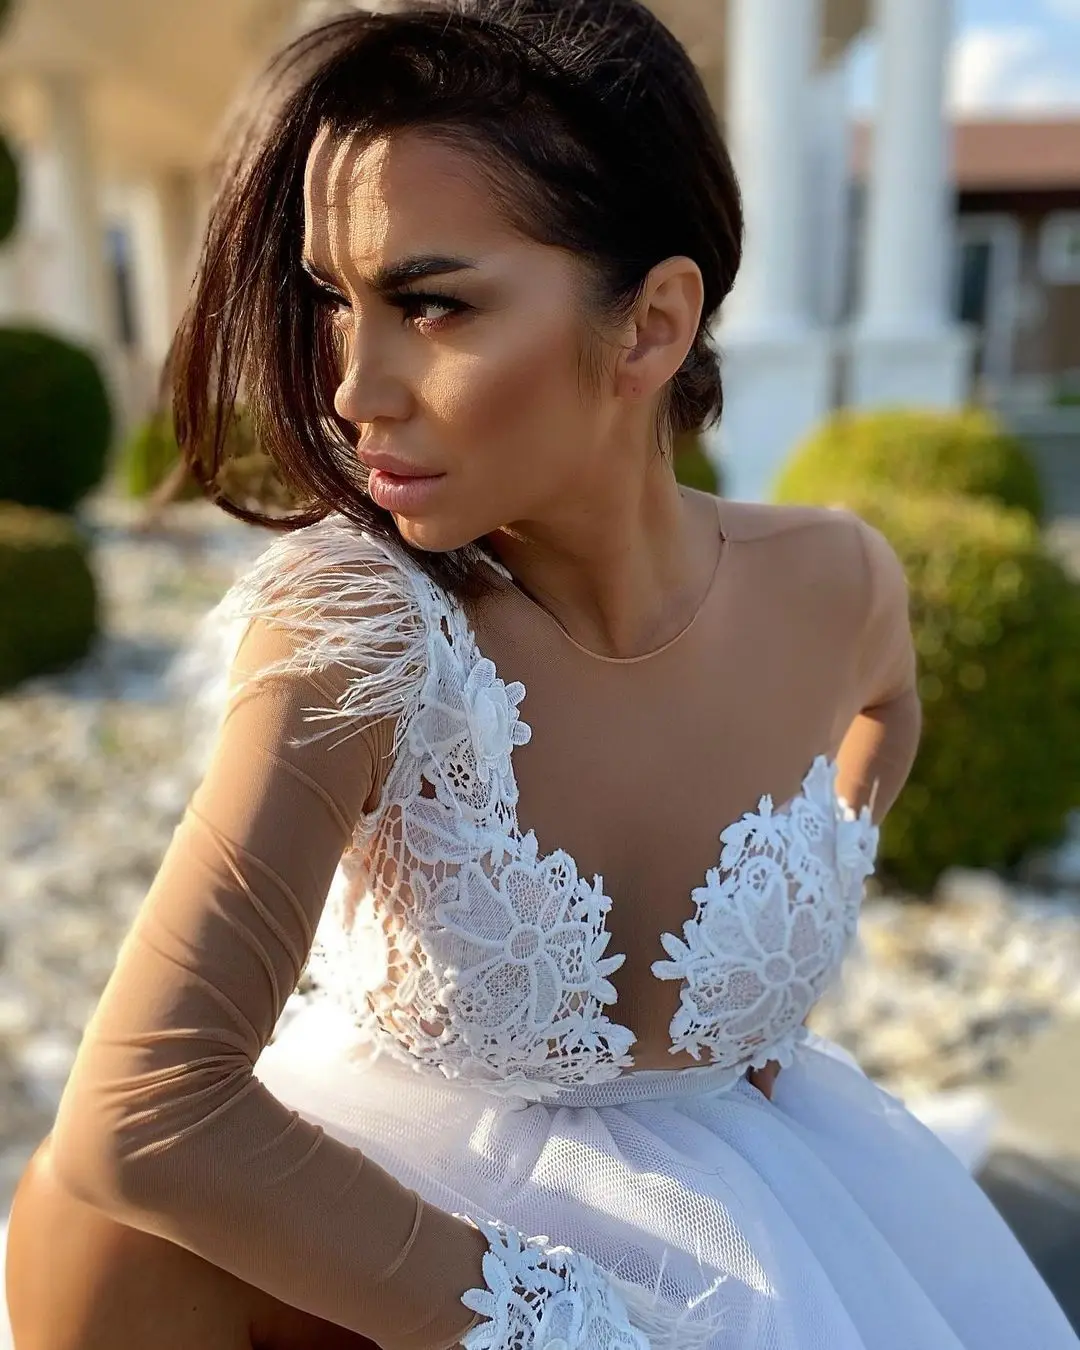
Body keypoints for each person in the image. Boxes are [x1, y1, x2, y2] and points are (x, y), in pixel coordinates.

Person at [5, 2, 1079, 1347]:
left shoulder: (838, 579)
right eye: (334, 301)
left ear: (651, 326)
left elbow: (889, 710)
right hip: (394, 1239)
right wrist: (553, 1324)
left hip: (768, 1214)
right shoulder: (363, 627)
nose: (351, 390)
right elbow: (140, 1114)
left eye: (431, 304)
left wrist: (789, 945)